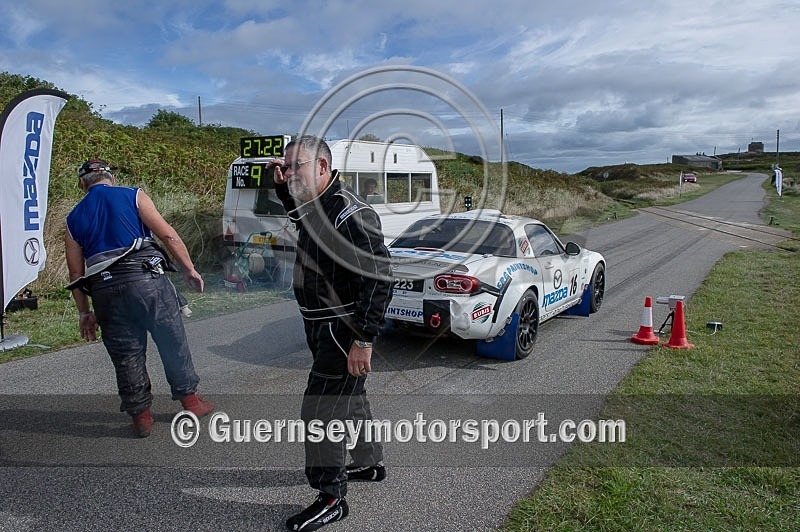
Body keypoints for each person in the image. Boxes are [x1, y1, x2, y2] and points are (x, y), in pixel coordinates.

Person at [271, 137, 392, 531]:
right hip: (319, 323)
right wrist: (281, 187)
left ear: (323, 167)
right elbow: (299, 219)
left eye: (297, 167)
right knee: (349, 396)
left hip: (342, 326)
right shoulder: (314, 204)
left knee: (320, 410)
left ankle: (330, 496)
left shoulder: (350, 214)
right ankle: (368, 463)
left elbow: (380, 279)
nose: (290, 174)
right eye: (286, 168)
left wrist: (363, 340)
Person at [64, 159, 214, 438]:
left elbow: (76, 271)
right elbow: (167, 235)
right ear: (110, 178)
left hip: (105, 293)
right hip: (147, 283)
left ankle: (141, 417)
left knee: (126, 354)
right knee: (171, 340)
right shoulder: (133, 195)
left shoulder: (73, 219)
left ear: (82, 184)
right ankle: (191, 403)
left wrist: (84, 313)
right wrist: (188, 269)